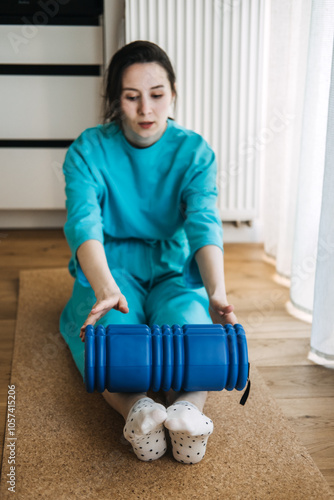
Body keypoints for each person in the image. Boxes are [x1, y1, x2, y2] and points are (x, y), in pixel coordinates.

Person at [59, 40, 237, 465]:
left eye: (157, 95)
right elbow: (84, 223)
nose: (146, 110)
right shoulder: (87, 150)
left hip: (173, 267)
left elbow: (203, 222)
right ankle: (138, 412)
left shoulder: (194, 151)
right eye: (131, 97)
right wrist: (104, 288)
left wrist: (217, 292)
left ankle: (188, 416)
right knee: (110, 339)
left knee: (193, 331)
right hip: (113, 267)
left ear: (173, 94)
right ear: (115, 100)